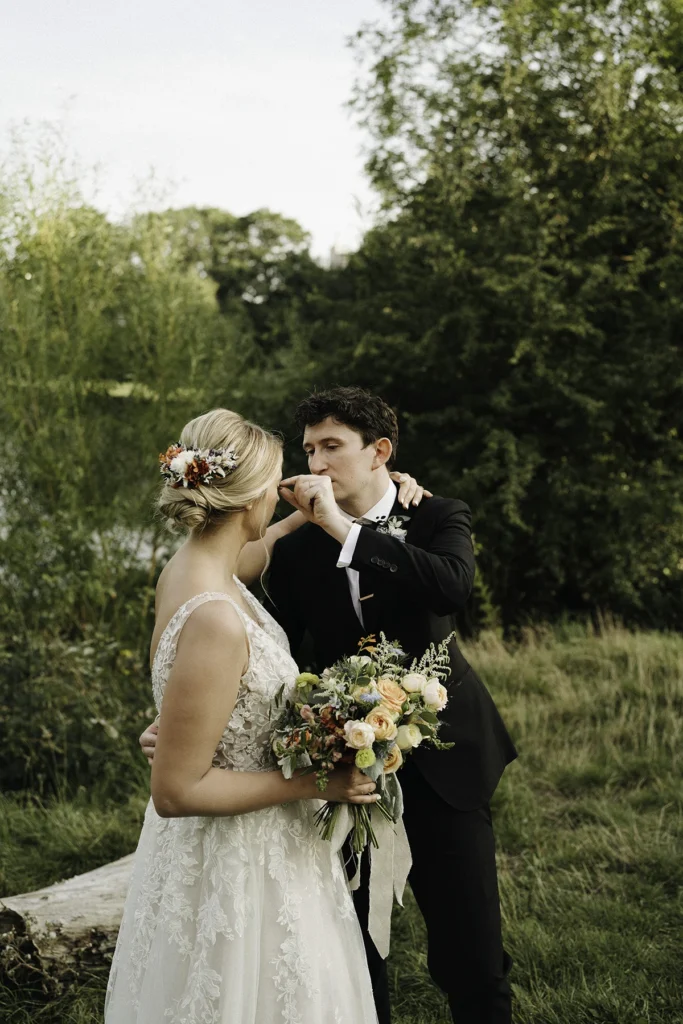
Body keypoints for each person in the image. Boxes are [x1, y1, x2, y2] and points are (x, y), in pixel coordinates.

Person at [141, 387, 518, 1023]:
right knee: (348, 949)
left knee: (472, 953)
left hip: (444, 764)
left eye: (332, 448)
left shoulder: (435, 514)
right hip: (337, 765)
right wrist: (185, 721)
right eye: (309, 449)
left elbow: (452, 586)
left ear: (381, 452)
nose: (316, 464)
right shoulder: (286, 546)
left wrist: (345, 529)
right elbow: (252, 646)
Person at [106, 408, 385, 1024]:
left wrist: (294, 521)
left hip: (224, 849)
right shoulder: (217, 618)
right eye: (278, 480)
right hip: (241, 863)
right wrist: (321, 781)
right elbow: (177, 789)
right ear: (251, 494)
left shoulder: (187, 569)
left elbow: (252, 552)